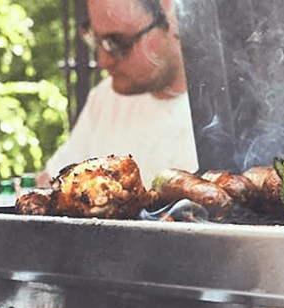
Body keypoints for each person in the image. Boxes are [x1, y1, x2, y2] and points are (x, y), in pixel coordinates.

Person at [38, 0, 198, 188]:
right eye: (95, 39)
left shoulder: (228, 110)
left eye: (116, 42)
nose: (103, 61)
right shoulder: (105, 98)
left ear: (172, 18)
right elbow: (49, 184)